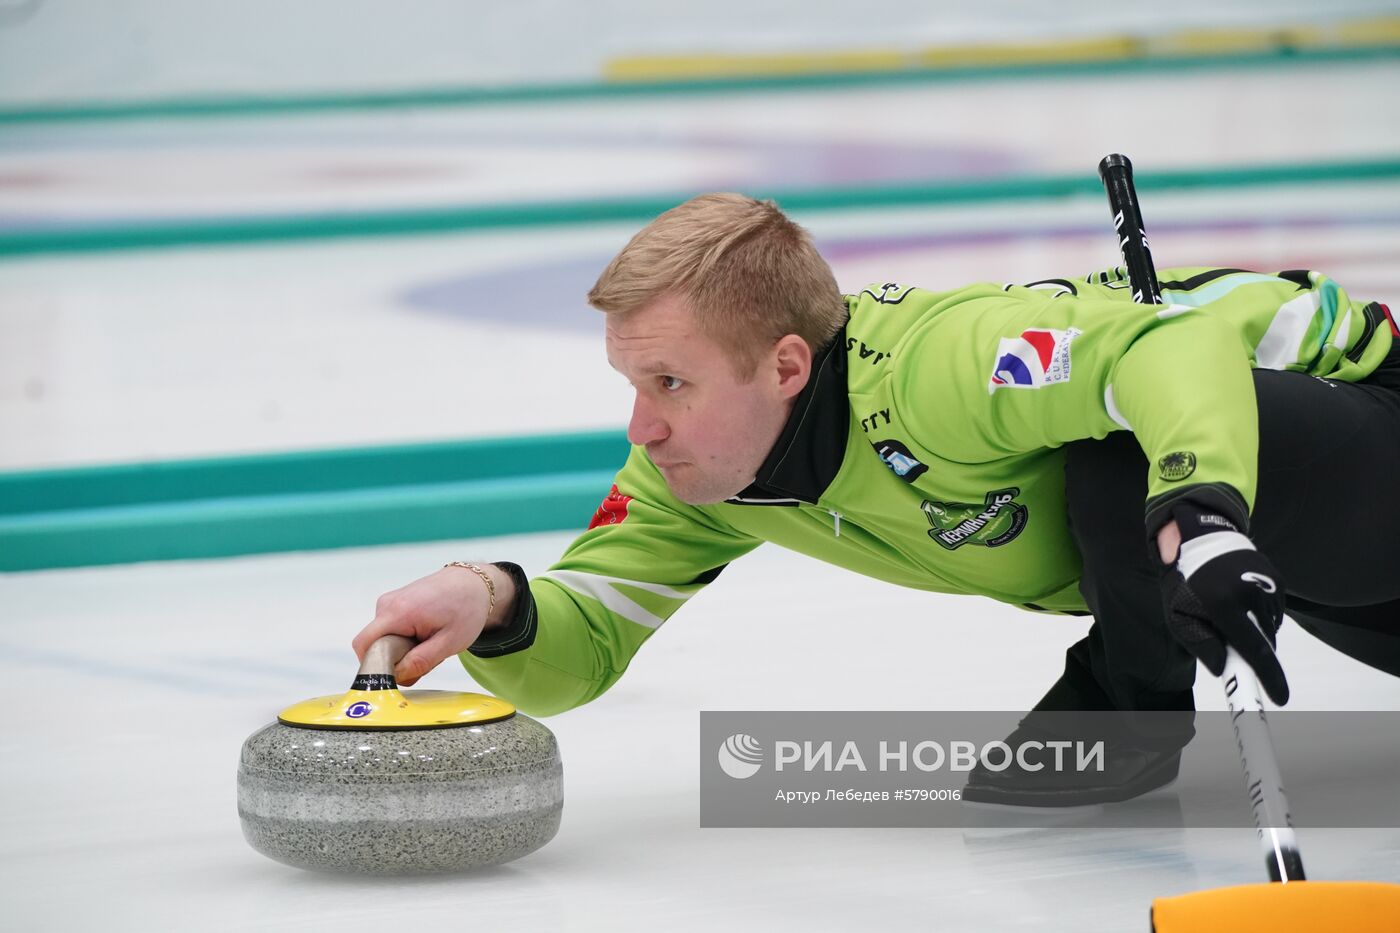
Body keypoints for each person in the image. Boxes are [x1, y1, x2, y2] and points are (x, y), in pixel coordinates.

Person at [354, 193, 1400, 805]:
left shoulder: (938, 369)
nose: (642, 427)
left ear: (786, 367)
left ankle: (1129, 710)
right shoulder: (700, 481)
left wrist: (1203, 512)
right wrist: (491, 596)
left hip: (1362, 430)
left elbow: (1166, 344)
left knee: (1118, 449)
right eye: (632, 385)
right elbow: (580, 647)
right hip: (1328, 563)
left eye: (669, 383)